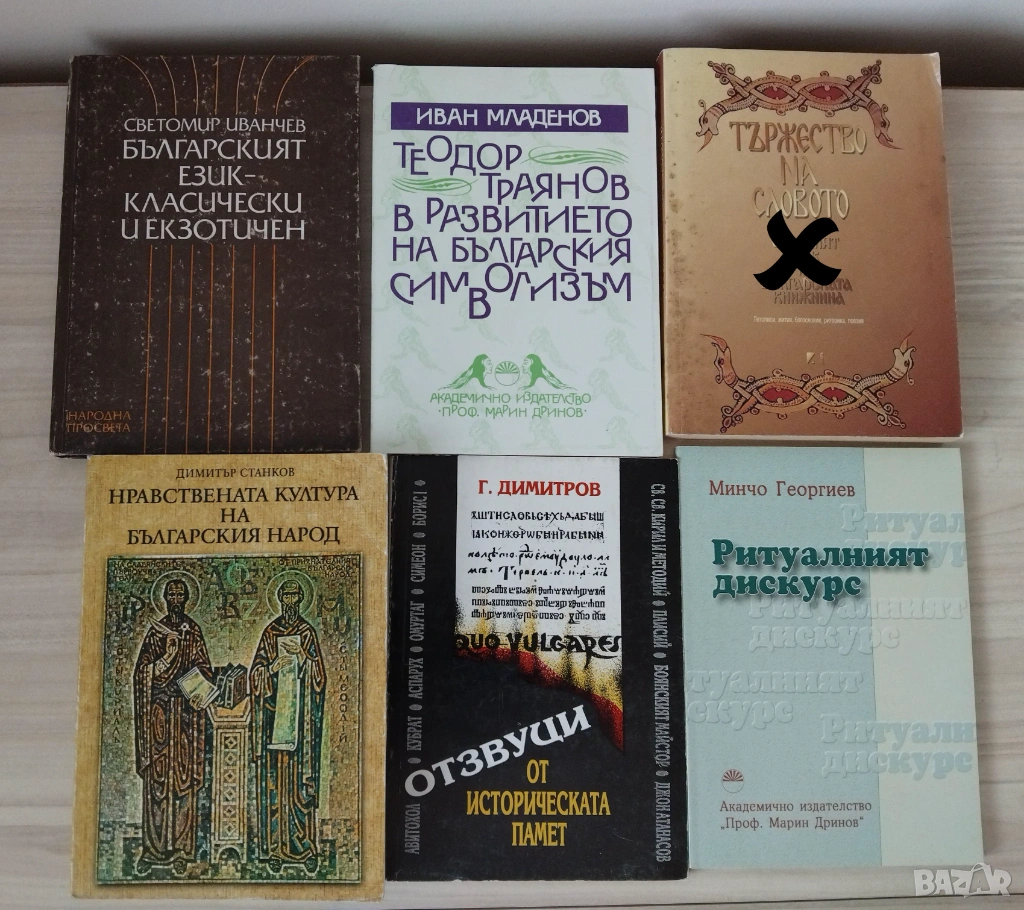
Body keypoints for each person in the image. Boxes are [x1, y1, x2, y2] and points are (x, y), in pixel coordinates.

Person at [132, 577, 212, 875]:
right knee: (157, 781)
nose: (176, 599)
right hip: (159, 717)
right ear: (165, 599)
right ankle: (153, 850)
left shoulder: (193, 632)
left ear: (187, 599)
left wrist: (200, 692)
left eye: (181, 595)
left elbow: (204, 669)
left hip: (186, 719)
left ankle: (181, 850)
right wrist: (165, 657)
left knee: (183, 781)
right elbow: (141, 674)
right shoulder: (156, 634)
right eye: (172, 595)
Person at [249, 578, 326, 873]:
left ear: (301, 599)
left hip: (300, 725)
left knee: (298, 787)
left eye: (295, 596)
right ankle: (275, 849)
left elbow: (319, 678)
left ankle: (305, 848)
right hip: (275, 723)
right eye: (286, 597)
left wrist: (304, 658)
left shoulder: (306, 633)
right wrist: (271, 667)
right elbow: (255, 674)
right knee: (276, 786)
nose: (290, 602)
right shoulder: (271, 633)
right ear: (281, 600)